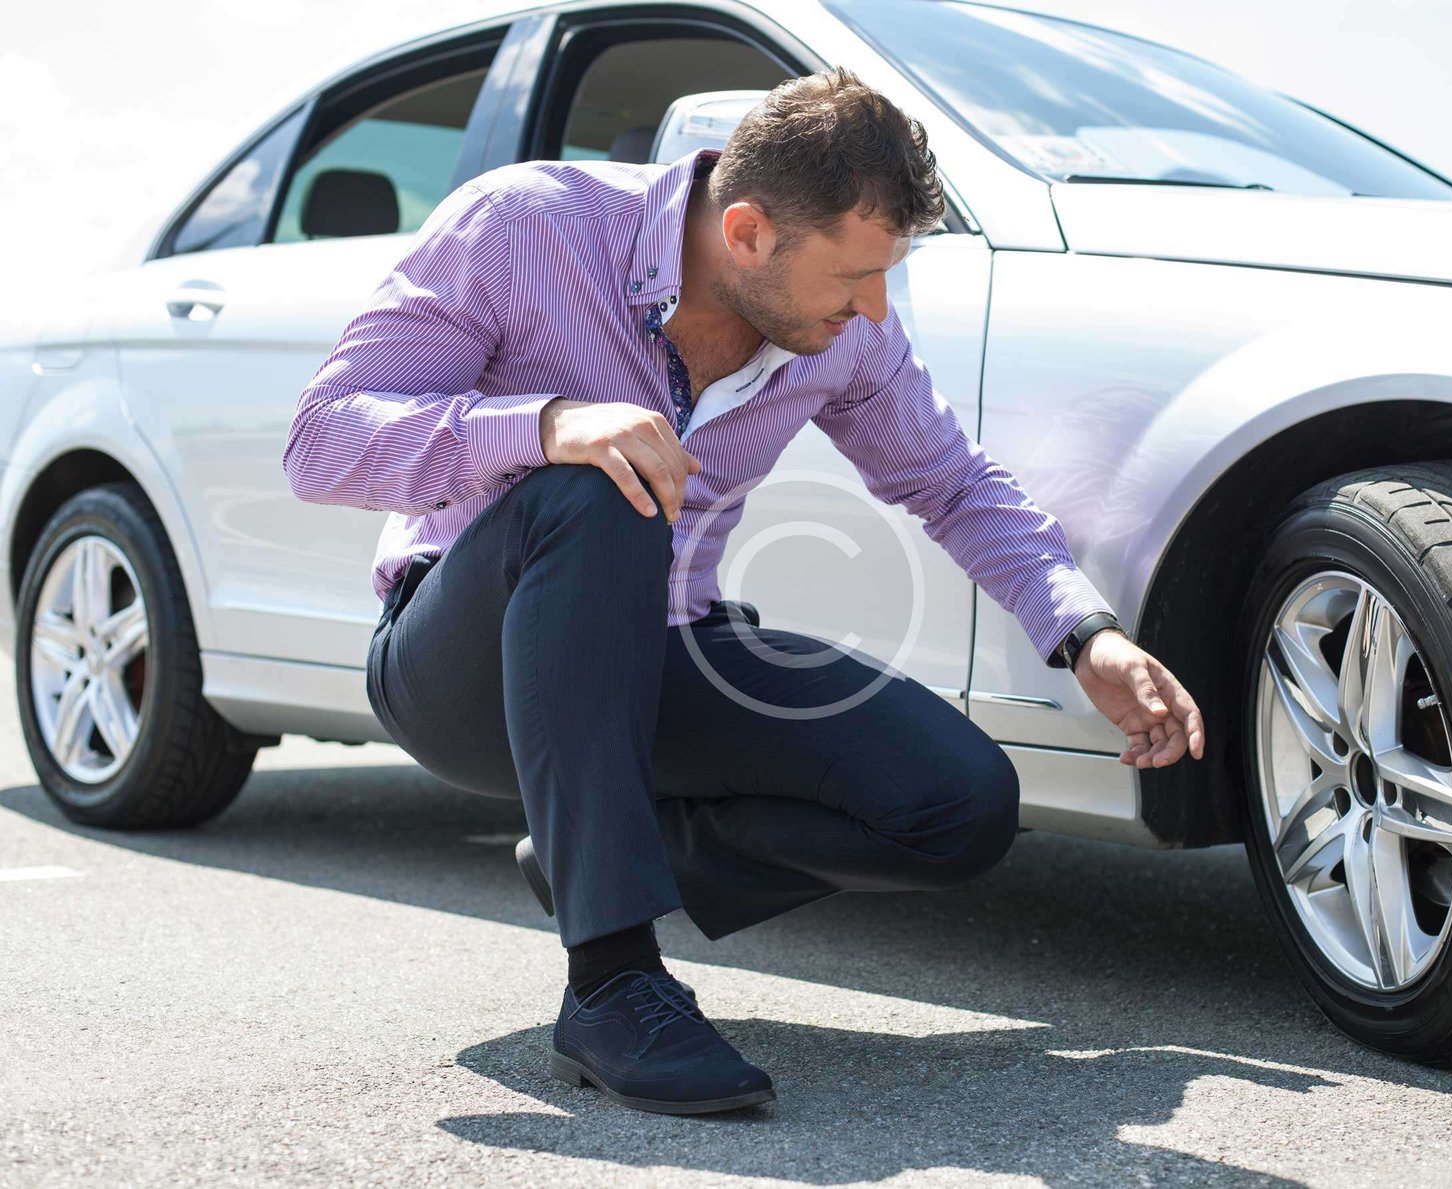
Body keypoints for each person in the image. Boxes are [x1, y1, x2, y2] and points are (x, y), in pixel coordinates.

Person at [282, 68, 1205, 1116]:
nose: (873, 309)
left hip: (661, 642)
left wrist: (1085, 635)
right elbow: (322, 443)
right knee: (601, 487)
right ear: (750, 231)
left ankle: (603, 849)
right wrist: (546, 426)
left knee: (958, 804)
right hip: (463, 664)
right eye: (855, 276)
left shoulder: (844, 333)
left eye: (887, 276)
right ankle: (613, 980)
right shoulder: (527, 226)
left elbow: (951, 483)